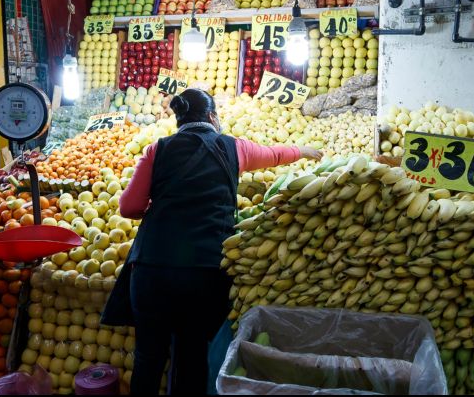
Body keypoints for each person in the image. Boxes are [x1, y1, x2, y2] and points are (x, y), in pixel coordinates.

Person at [107, 89, 321, 395]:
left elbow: (128, 207)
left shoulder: (158, 149)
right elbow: (273, 154)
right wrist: (303, 150)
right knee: (192, 356)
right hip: (204, 272)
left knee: (148, 358)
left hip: (152, 271)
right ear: (212, 117)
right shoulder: (234, 148)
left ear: (178, 120)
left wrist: (161, 206)